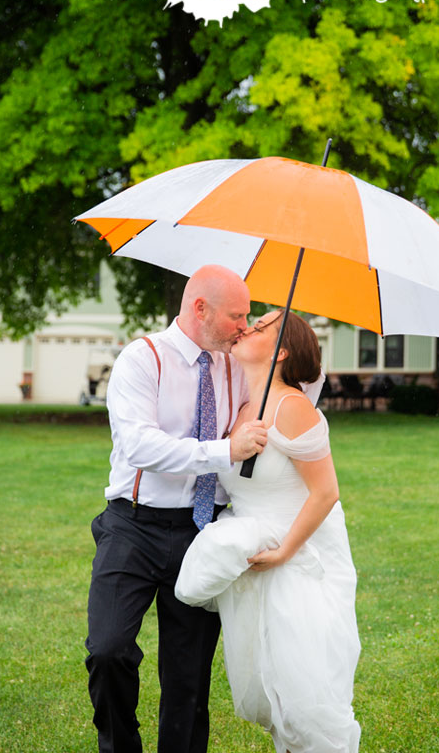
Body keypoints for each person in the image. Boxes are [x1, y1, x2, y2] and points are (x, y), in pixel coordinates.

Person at [85, 264, 269, 753]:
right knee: (108, 651)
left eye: (249, 316)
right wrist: (223, 450)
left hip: (204, 531)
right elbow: (140, 445)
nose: (244, 325)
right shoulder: (142, 359)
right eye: (238, 315)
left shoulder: (238, 364)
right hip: (133, 526)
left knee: (188, 680)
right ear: (200, 308)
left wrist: (277, 340)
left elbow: (298, 394)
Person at [175, 310, 361, 751]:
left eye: (261, 326)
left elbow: (326, 493)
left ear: (280, 353)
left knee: (307, 702)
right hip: (255, 558)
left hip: (298, 563)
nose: (247, 326)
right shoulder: (241, 409)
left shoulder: (293, 408)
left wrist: (282, 553)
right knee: (275, 697)